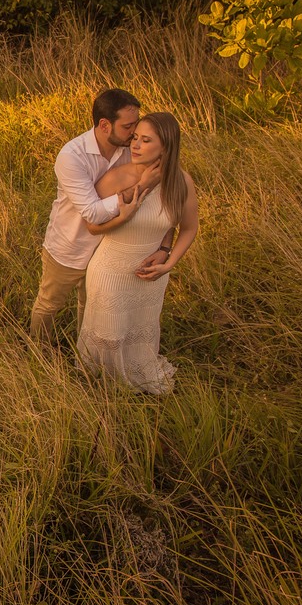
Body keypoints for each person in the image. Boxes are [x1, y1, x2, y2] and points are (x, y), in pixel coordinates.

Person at [29, 88, 168, 343]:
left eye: (136, 125)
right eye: (128, 127)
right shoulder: (72, 157)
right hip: (71, 246)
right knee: (49, 304)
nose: (134, 134)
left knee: (91, 306)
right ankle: (38, 351)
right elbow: (92, 211)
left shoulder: (129, 148)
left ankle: (85, 356)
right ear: (105, 125)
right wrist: (140, 187)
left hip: (108, 247)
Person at [77, 112, 198, 394]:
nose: (135, 145)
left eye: (145, 140)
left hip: (150, 276)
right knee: (109, 334)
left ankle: (134, 377)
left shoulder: (182, 182)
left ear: (166, 147)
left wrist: (168, 260)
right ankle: (100, 389)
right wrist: (140, 187)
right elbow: (92, 226)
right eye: (134, 138)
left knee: (140, 332)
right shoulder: (116, 178)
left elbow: (189, 228)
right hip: (111, 271)